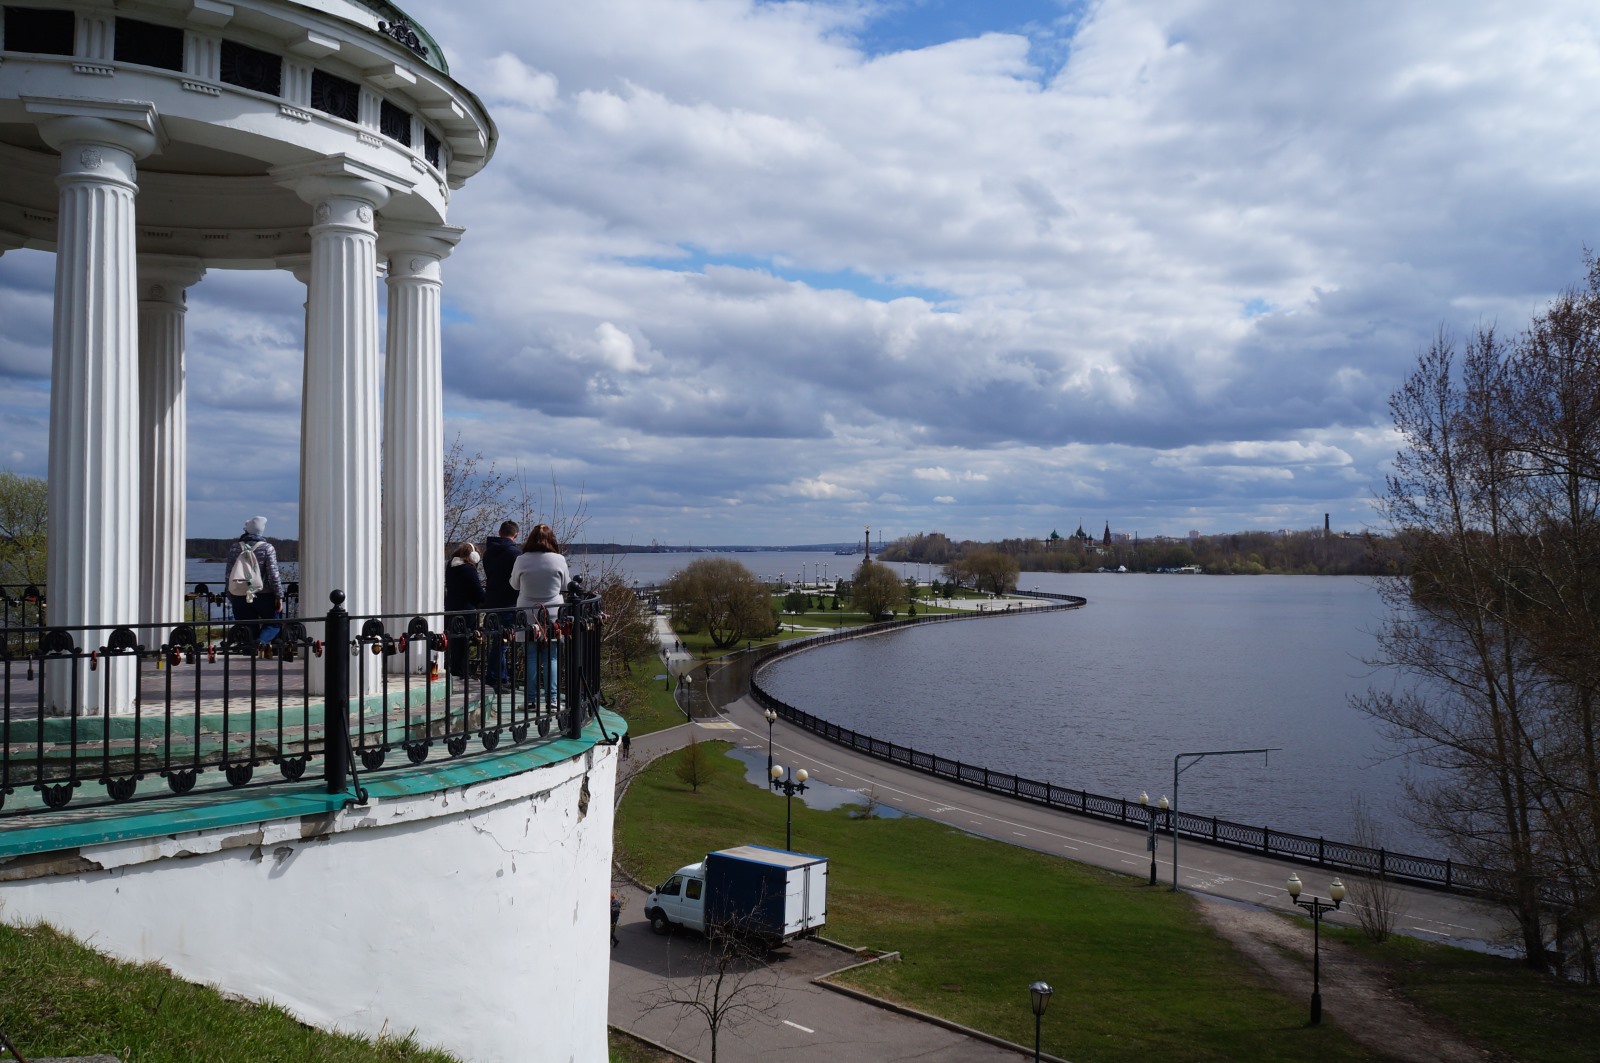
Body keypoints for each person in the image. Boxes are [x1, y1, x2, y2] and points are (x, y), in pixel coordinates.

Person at [509, 523, 569, 706]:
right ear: (552, 540)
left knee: (531, 657)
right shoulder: (559, 559)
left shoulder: (522, 559)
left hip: (527, 612)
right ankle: (552, 699)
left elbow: (514, 585)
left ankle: (530, 699)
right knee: (551, 657)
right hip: (553, 614)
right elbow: (566, 586)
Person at [224, 516, 283, 648]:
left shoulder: (235, 548)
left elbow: (228, 574)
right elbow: (273, 575)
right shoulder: (267, 548)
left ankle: (248, 652)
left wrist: (230, 594)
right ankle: (261, 642)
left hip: (239, 593)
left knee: (247, 627)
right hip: (264, 594)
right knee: (274, 622)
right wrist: (279, 595)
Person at [481, 520, 520, 694]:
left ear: (500, 532)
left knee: (499, 640)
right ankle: (495, 677)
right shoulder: (515, 553)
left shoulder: (489, 552)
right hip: (508, 601)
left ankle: (501, 676)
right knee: (502, 642)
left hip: (492, 599)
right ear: (516, 534)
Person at [443, 541, 485, 682]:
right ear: (473, 556)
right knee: (464, 644)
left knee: (455, 643)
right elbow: (478, 592)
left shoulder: (450, 566)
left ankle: (455, 671)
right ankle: (461, 673)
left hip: (451, 609)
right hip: (466, 612)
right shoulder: (469, 570)